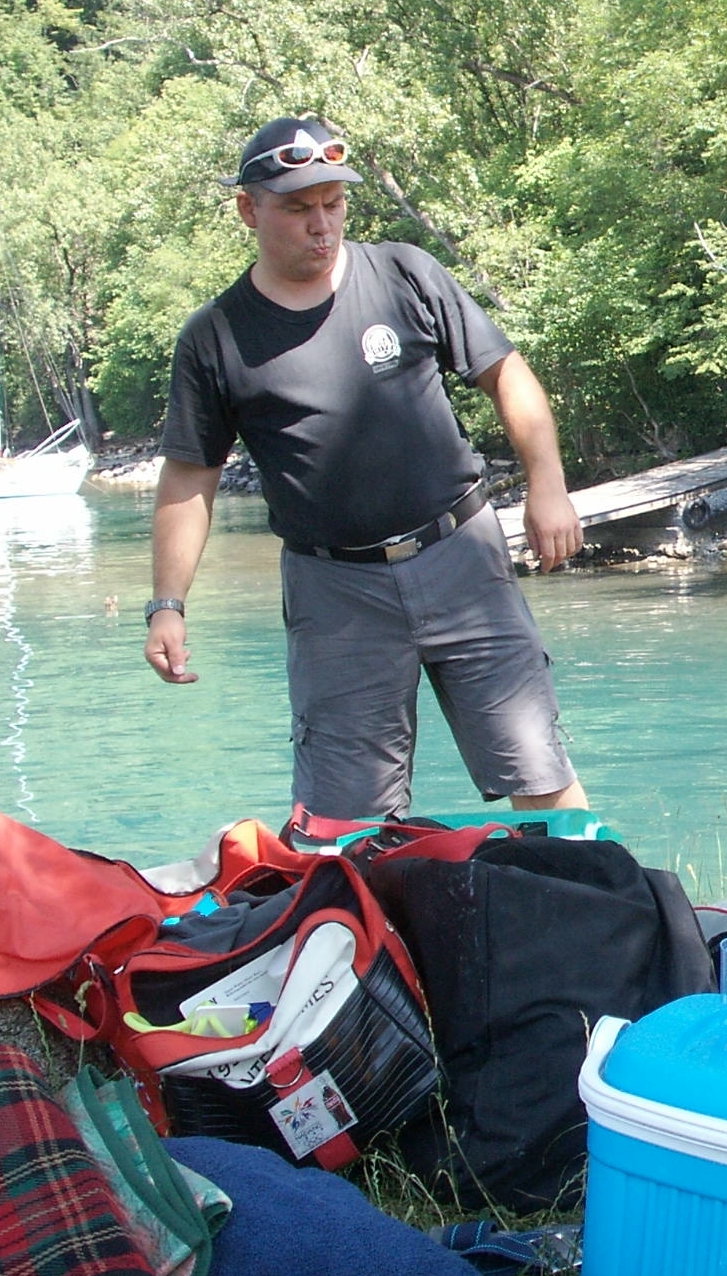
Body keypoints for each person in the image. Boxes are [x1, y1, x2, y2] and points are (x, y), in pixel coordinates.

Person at [144, 117, 589, 820]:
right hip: (334, 591)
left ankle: (591, 889)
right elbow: (190, 478)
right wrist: (167, 604)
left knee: (538, 771)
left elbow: (506, 373)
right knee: (343, 819)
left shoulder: (404, 274)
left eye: (333, 203)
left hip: (462, 560)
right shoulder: (216, 337)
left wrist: (549, 486)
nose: (321, 224)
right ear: (248, 209)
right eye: (298, 208)